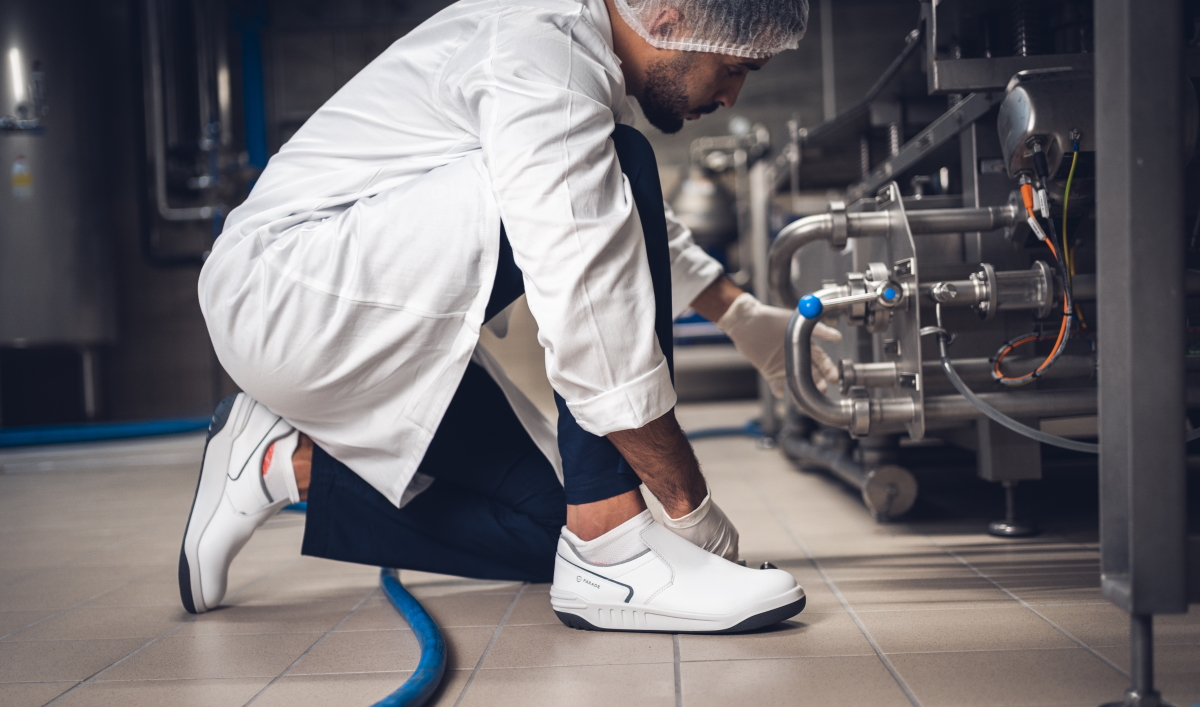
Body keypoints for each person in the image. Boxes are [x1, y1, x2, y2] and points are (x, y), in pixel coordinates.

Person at [181, 0, 841, 633]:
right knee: (616, 167)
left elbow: (612, 212)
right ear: (671, 19)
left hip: (354, 316)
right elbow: (583, 278)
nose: (731, 97)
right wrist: (684, 500)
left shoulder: (580, 61)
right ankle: (612, 547)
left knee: (544, 531)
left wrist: (743, 316)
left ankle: (280, 461)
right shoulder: (541, 48)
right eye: (735, 68)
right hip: (287, 294)